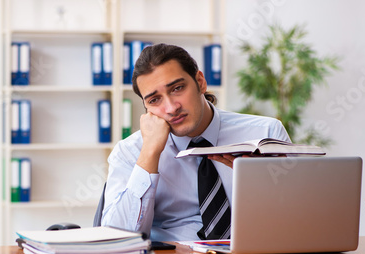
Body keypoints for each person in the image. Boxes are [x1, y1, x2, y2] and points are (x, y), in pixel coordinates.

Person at [101, 43, 290, 241]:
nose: (171, 107)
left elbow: (299, 217)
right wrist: (149, 153)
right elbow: (116, 238)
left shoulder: (266, 134)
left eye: (177, 88)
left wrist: (263, 184)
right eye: (154, 100)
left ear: (200, 82)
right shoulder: (130, 152)